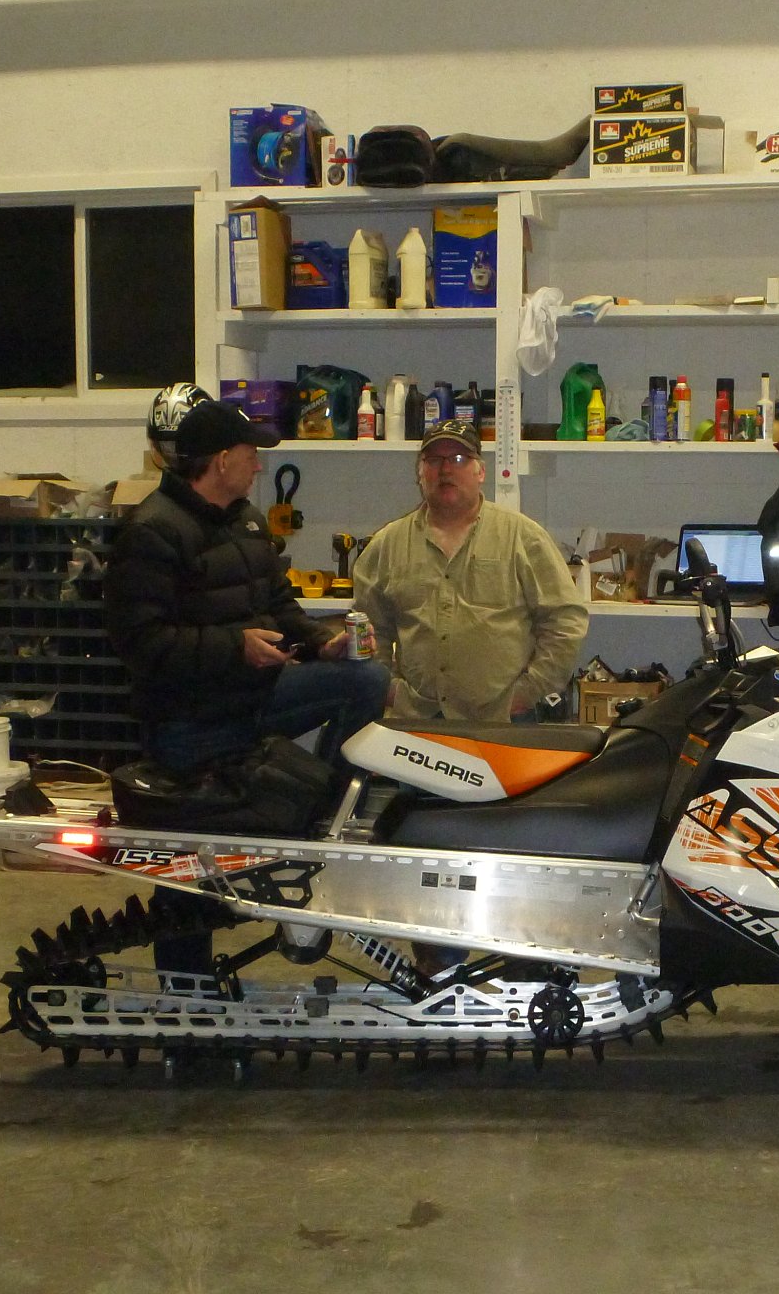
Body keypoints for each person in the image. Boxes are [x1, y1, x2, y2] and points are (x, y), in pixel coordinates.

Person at [106, 386, 389, 976]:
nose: (259, 465)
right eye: (250, 453)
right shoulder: (151, 532)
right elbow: (141, 643)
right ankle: (186, 990)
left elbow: (280, 607)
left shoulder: (248, 522)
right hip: (189, 716)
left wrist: (320, 642)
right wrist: (235, 647)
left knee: (363, 678)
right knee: (194, 860)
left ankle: (325, 821)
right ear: (220, 460)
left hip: (253, 696)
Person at [351, 419, 588, 721]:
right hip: (417, 717)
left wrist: (529, 691)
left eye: (459, 459)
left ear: (481, 472)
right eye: (434, 460)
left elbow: (566, 620)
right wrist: (387, 687)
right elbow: (369, 626)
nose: (446, 470)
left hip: (503, 719)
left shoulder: (523, 537)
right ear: (419, 473)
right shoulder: (387, 544)